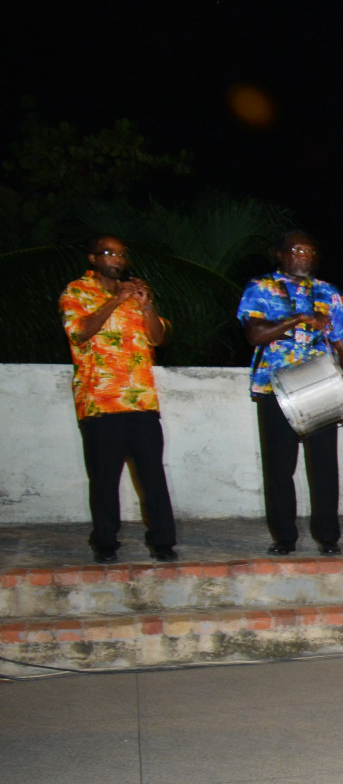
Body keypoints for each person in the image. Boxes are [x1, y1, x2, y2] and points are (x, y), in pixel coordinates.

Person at [59, 235, 179, 564]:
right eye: (109, 253)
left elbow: (159, 338)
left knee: (152, 474)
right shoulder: (76, 291)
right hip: (100, 400)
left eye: (122, 254)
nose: (117, 259)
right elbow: (79, 333)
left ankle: (163, 541)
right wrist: (115, 300)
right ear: (93, 259)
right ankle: (105, 543)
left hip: (141, 400)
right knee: (104, 477)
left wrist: (147, 304)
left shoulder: (135, 293)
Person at [237, 231, 343, 556]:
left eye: (310, 251)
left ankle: (328, 537)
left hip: (322, 387)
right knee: (280, 467)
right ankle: (284, 537)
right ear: (280, 254)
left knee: (324, 466)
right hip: (274, 388)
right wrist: (299, 319)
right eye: (297, 250)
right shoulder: (261, 287)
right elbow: (255, 335)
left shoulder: (330, 293)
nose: (304, 256)